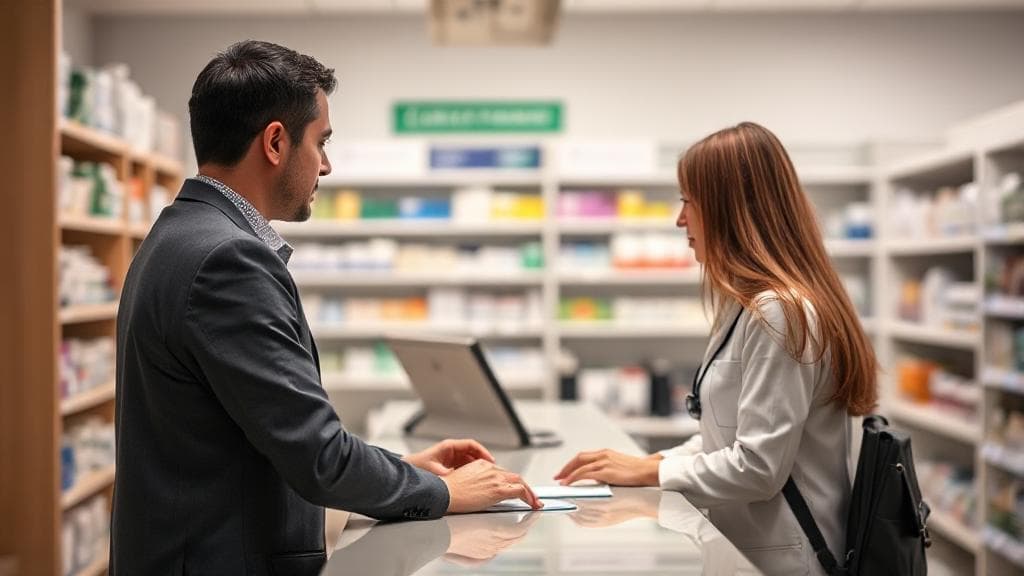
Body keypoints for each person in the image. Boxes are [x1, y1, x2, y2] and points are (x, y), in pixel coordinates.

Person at [111, 40, 540, 575]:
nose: (327, 165)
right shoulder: (228, 259)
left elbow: (274, 433)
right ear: (275, 142)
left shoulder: (180, 234)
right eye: (321, 141)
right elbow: (317, 456)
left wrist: (402, 468)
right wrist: (442, 491)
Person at [554, 122, 878, 576]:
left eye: (689, 200)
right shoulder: (747, 305)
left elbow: (758, 468)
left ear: (730, 208)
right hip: (749, 551)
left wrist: (651, 473)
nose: (680, 219)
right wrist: (648, 461)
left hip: (787, 560)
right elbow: (728, 438)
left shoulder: (779, 310)